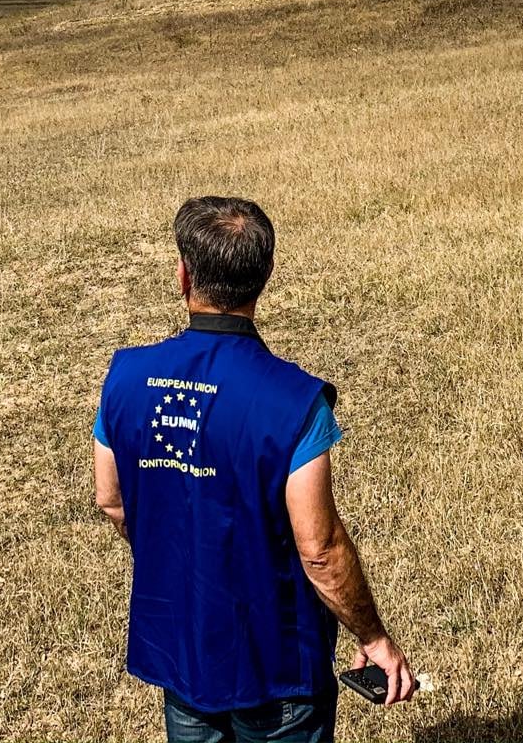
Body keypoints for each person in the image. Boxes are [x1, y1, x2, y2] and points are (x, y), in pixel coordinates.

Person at [95, 196, 415, 743]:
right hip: (276, 666)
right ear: (264, 277)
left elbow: (111, 499)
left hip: (182, 650)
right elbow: (319, 549)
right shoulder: (294, 401)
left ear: (183, 275)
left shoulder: (125, 378)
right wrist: (374, 637)